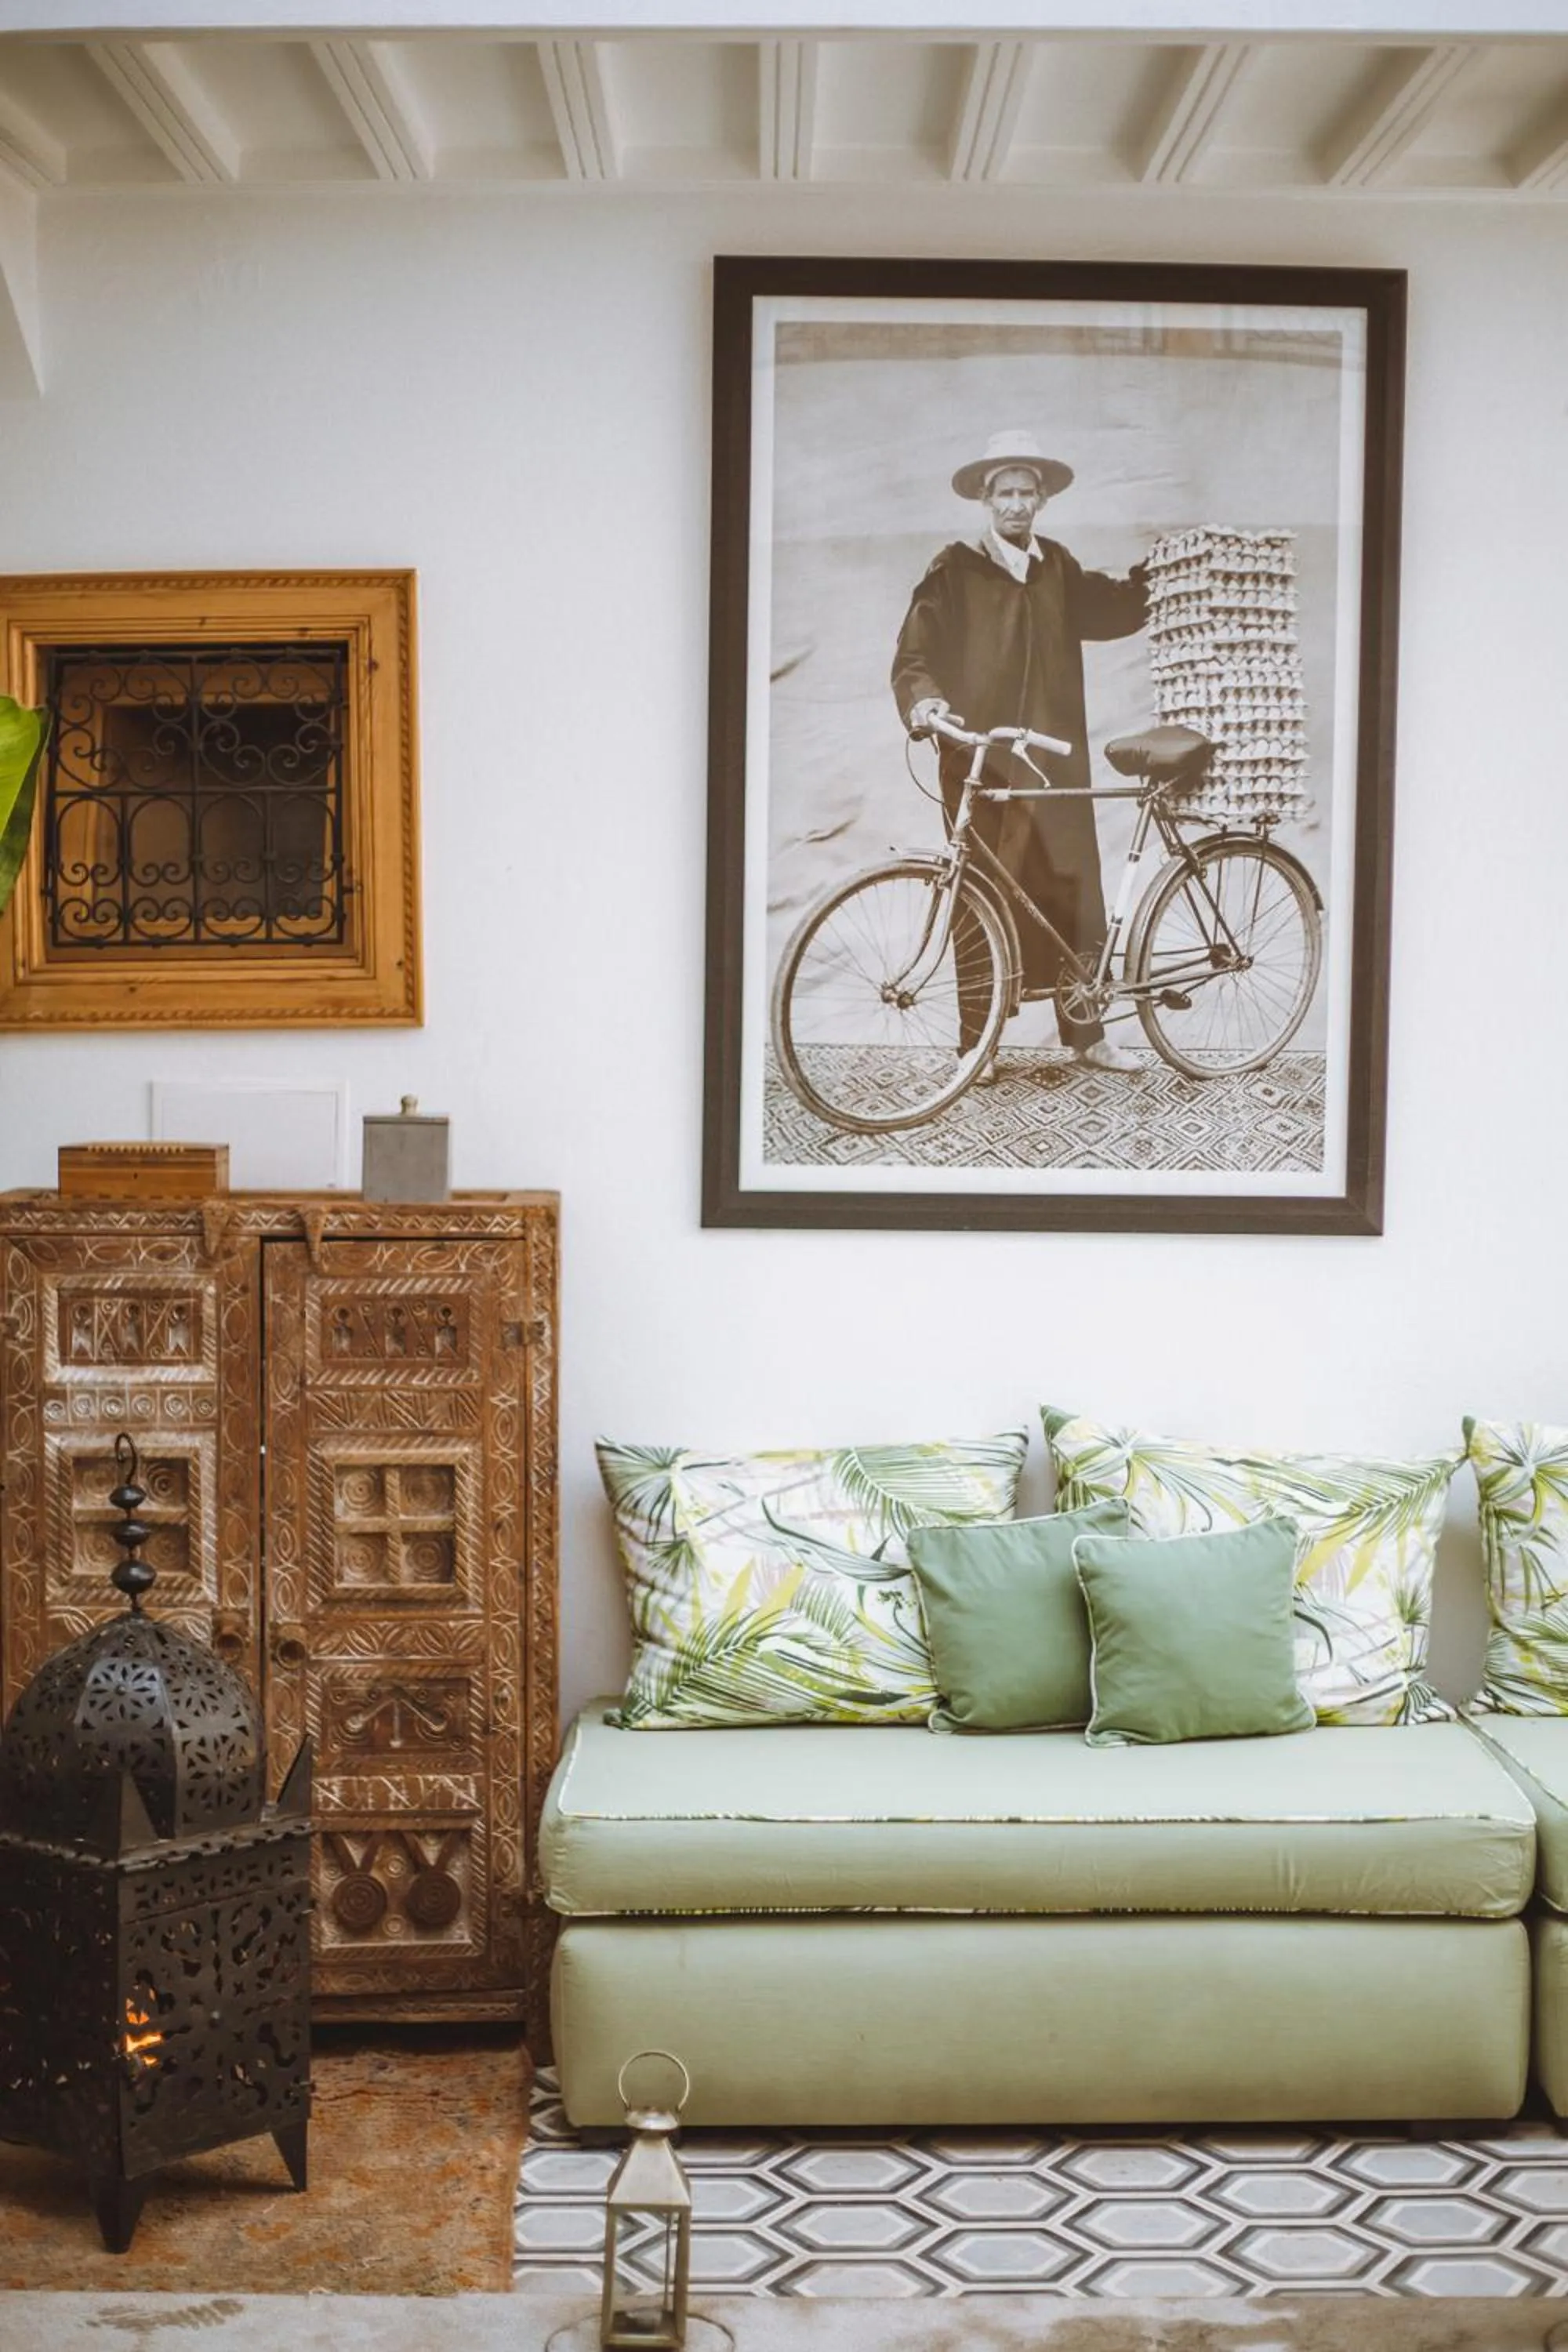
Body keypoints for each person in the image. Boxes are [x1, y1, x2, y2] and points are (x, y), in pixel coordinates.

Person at [891, 427, 1148, 1073]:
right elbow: (916, 654)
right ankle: (977, 1045)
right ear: (985, 500)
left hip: (1055, 763)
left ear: (1042, 500)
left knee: (1072, 891)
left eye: (1025, 493)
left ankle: (1088, 1035)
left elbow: (1113, 609)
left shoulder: (1056, 566)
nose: (1015, 504)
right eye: (1004, 493)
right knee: (977, 896)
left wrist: (1162, 575)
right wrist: (926, 703)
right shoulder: (954, 570)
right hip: (982, 763)